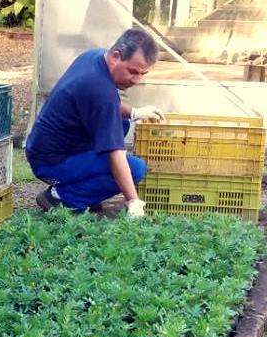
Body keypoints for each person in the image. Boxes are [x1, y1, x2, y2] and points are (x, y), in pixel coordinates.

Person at [26, 28, 164, 216]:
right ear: (116, 56)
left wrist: (134, 112)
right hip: (50, 163)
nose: (137, 80)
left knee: (122, 124)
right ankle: (60, 197)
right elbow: (116, 153)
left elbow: (108, 106)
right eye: (133, 71)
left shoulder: (95, 57)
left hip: (46, 147)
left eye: (142, 74)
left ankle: (88, 193)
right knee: (136, 168)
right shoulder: (98, 88)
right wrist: (133, 200)